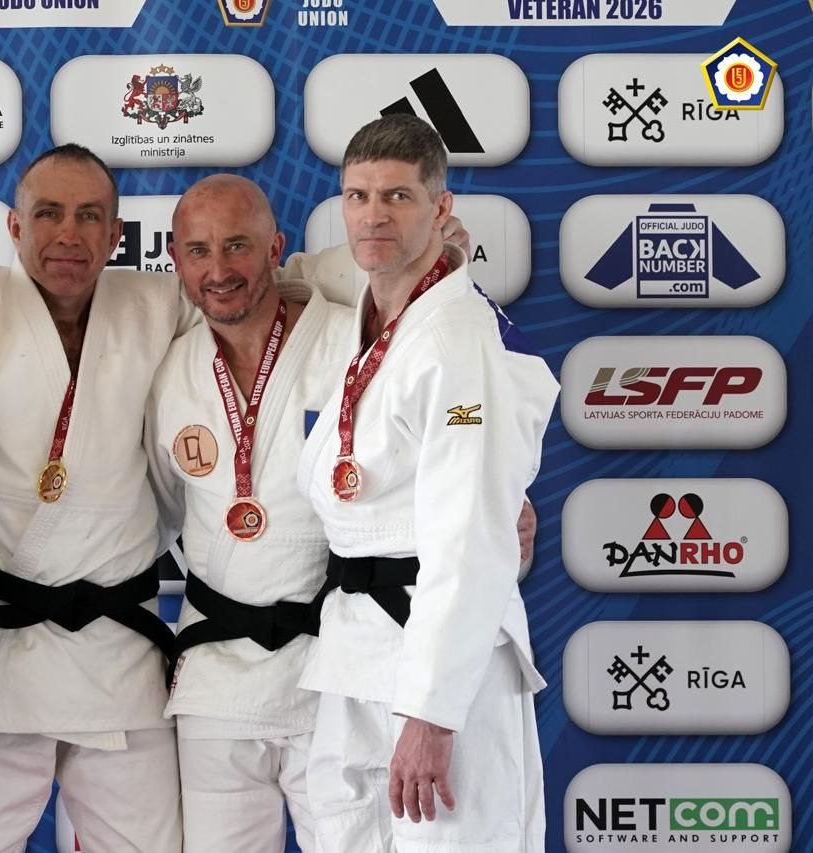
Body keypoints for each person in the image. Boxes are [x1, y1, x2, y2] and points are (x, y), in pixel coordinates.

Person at [0, 143, 512, 851]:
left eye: (90, 216)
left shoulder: (163, 301)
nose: (69, 233)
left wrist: (495, 473)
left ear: (118, 235)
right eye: (48, 214)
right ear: (14, 228)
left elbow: (296, 281)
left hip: (122, 655)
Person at [296, 114, 557, 852]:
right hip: (355, 646)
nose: (373, 215)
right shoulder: (377, 313)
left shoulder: (458, 338)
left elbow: (472, 538)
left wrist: (433, 714)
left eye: (398, 196)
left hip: (440, 661)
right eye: (357, 196)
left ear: (441, 209)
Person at [145, 174, 354, 851]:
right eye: (198, 250)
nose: (218, 270)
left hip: (337, 668)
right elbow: (160, 511)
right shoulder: (171, 372)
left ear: (275, 248)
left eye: (237, 245)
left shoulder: (349, 345)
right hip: (217, 680)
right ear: (176, 260)